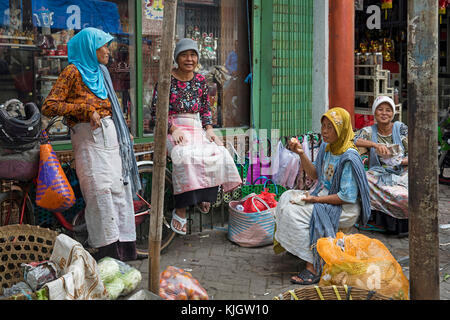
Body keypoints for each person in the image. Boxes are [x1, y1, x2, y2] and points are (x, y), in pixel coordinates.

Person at [41, 27, 141, 262]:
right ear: (89, 48)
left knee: (119, 192)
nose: (108, 50)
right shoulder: (73, 72)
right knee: (99, 194)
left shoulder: (102, 72)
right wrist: (84, 110)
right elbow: (50, 105)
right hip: (88, 139)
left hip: (111, 136)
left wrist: (125, 131)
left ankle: (125, 251)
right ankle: (106, 253)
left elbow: (112, 106)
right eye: (103, 46)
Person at [151, 38, 242, 235]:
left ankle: (203, 197)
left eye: (193, 55)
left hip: (196, 127)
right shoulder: (166, 79)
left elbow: (205, 108)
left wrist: (209, 129)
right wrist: (172, 129)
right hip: (173, 128)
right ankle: (181, 209)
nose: (189, 59)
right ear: (177, 58)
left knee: (218, 153)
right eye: (184, 55)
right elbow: (156, 111)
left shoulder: (200, 80)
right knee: (183, 156)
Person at [274, 107, 371, 285]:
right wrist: (301, 154)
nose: (324, 131)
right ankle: (301, 250)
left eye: (330, 127)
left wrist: (315, 200)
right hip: (324, 195)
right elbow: (315, 175)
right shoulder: (327, 147)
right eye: (323, 126)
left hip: (344, 208)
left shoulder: (349, 157)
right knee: (285, 199)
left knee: (293, 213)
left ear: (341, 130)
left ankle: (315, 265)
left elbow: (346, 197)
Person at [354, 96, 408, 235]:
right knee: (364, 178)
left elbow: (416, 152)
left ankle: (402, 223)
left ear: (393, 113)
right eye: (380, 109)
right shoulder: (369, 131)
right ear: (375, 113)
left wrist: (400, 161)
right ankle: (376, 221)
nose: (384, 113)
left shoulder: (400, 128)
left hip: (402, 171)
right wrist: (374, 144)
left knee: (406, 194)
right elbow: (352, 139)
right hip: (380, 173)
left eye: (388, 110)